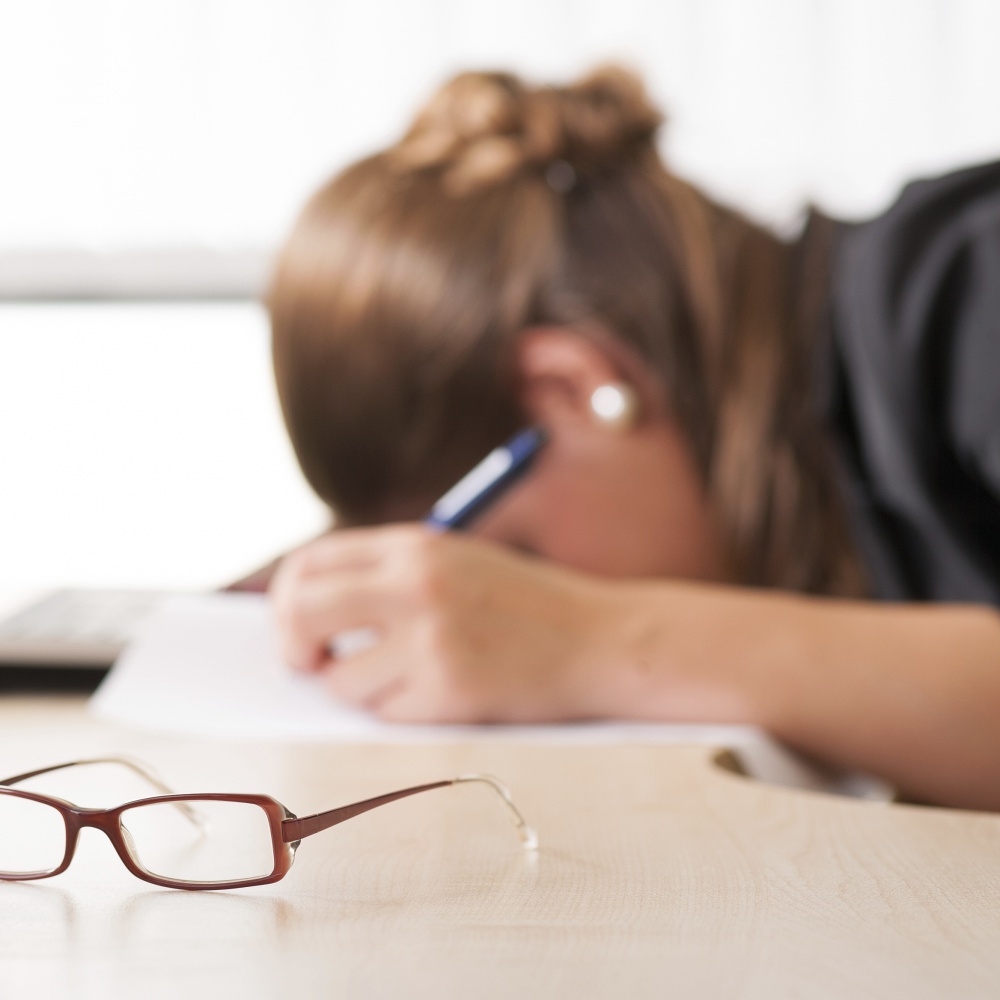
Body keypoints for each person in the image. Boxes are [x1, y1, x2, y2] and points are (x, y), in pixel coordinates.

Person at [266, 66, 1000, 811]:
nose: (512, 608)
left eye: (521, 564)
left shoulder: (972, 281)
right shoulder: (814, 506)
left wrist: (595, 639)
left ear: (575, 388)